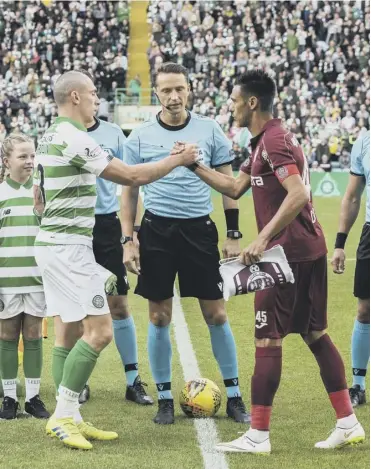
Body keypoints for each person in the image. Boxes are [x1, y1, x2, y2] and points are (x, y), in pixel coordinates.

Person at [182, 70, 365, 453]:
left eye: (233, 100)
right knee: (315, 334)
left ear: (251, 102)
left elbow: (297, 193)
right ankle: (348, 422)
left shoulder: (274, 140)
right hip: (307, 249)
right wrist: (193, 165)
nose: (230, 107)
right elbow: (235, 187)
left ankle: (258, 435)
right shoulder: (265, 140)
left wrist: (263, 238)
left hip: (286, 255)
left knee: (267, 336)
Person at [33, 70, 198, 450]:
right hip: (69, 249)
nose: (97, 99)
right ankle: (62, 416)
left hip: (56, 243)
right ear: (74, 97)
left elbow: (39, 199)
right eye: (92, 93)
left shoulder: (50, 134)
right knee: (101, 331)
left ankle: (70, 416)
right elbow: (128, 175)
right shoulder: (74, 137)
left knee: (69, 331)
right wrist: (178, 159)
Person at [121, 62, 249, 425]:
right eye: (166, 90)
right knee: (159, 316)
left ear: (189, 89)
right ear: (156, 94)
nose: (174, 97)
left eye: (180, 89)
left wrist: (233, 234)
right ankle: (164, 399)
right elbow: (128, 191)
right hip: (157, 232)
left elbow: (228, 186)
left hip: (199, 232)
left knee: (217, 314)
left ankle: (235, 395)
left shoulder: (209, 129)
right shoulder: (141, 136)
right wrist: (129, 240)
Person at [78, 112, 153, 406]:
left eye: (97, 94)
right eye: (89, 93)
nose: (94, 99)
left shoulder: (113, 134)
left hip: (107, 227)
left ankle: (132, 381)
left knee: (119, 303)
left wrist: (131, 234)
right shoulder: (62, 133)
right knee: (80, 308)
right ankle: (79, 380)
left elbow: (130, 184)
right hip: (74, 226)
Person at [0, 134, 50, 420]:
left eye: (32, 156)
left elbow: (50, 233)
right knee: (7, 336)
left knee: (33, 336)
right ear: (7, 162)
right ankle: (9, 398)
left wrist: (43, 211)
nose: (30, 161)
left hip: (35, 278)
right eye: (23, 156)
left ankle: (32, 397)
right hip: (7, 280)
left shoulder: (41, 193)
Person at [331, 130, 370, 408]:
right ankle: (358, 386)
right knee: (365, 309)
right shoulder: (364, 140)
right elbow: (353, 197)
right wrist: (340, 243)